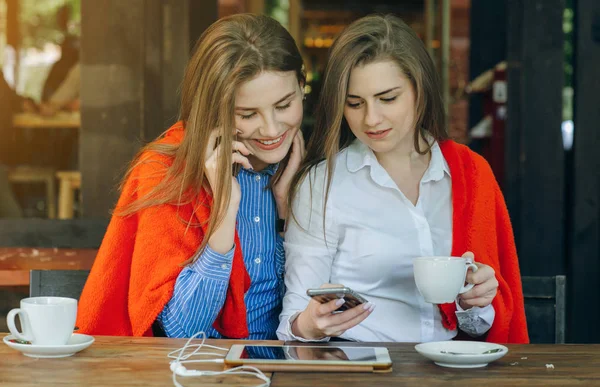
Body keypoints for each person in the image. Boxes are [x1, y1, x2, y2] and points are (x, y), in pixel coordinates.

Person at [277, 15, 528, 344]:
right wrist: (310, 325)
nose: (371, 119)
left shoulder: (467, 173)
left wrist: (474, 301)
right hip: (357, 372)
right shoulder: (322, 183)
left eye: (387, 98)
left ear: (419, 89)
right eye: (355, 103)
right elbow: (292, 324)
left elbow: (480, 327)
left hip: (448, 370)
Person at [76, 14, 305, 339]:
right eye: (248, 114)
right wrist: (224, 211)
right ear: (214, 108)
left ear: (302, 85)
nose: (271, 129)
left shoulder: (308, 168)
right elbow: (182, 330)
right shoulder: (167, 171)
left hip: (289, 372)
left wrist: (287, 217)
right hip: (200, 378)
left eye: (284, 105)